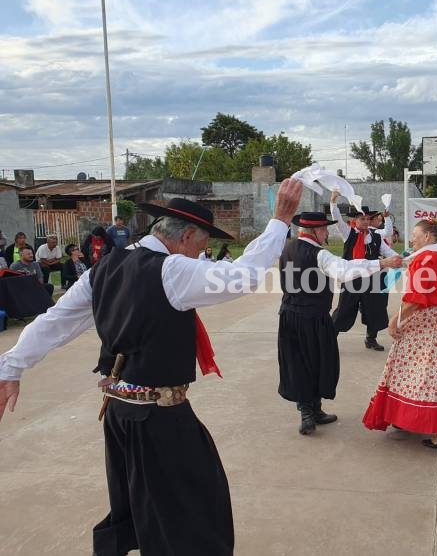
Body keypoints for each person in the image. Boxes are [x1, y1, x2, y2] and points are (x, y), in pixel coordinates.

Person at [0, 179, 304, 556]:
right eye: (200, 247)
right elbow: (242, 277)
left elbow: (56, 320)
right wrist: (279, 221)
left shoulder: (106, 267)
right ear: (186, 236)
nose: (199, 256)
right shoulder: (172, 269)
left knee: (140, 505)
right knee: (195, 511)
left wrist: (10, 368)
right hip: (158, 419)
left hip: (120, 415)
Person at [278, 212, 402, 435]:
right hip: (312, 317)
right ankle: (308, 411)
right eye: (324, 229)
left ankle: (313, 410)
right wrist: (382, 263)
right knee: (317, 362)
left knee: (299, 362)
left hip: (289, 316)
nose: (327, 232)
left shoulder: (287, 248)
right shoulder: (319, 254)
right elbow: (345, 270)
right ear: (315, 231)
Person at [363, 219, 437, 449]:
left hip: (425, 320)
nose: (411, 239)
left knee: (421, 371)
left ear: (427, 237)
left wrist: (395, 320)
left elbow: (416, 298)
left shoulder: (424, 259)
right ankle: (413, 418)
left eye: (415, 234)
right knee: (436, 371)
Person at [329, 191, 400, 351]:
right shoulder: (348, 233)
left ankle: (371, 339)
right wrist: (333, 201)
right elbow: (337, 219)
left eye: (368, 218)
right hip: (352, 279)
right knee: (344, 310)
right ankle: (329, 338)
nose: (366, 221)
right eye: (362, 218)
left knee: (374, 309)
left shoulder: (376, 236)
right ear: (355, 220)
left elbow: (388, 252)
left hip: (372, 280)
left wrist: (400, 259)